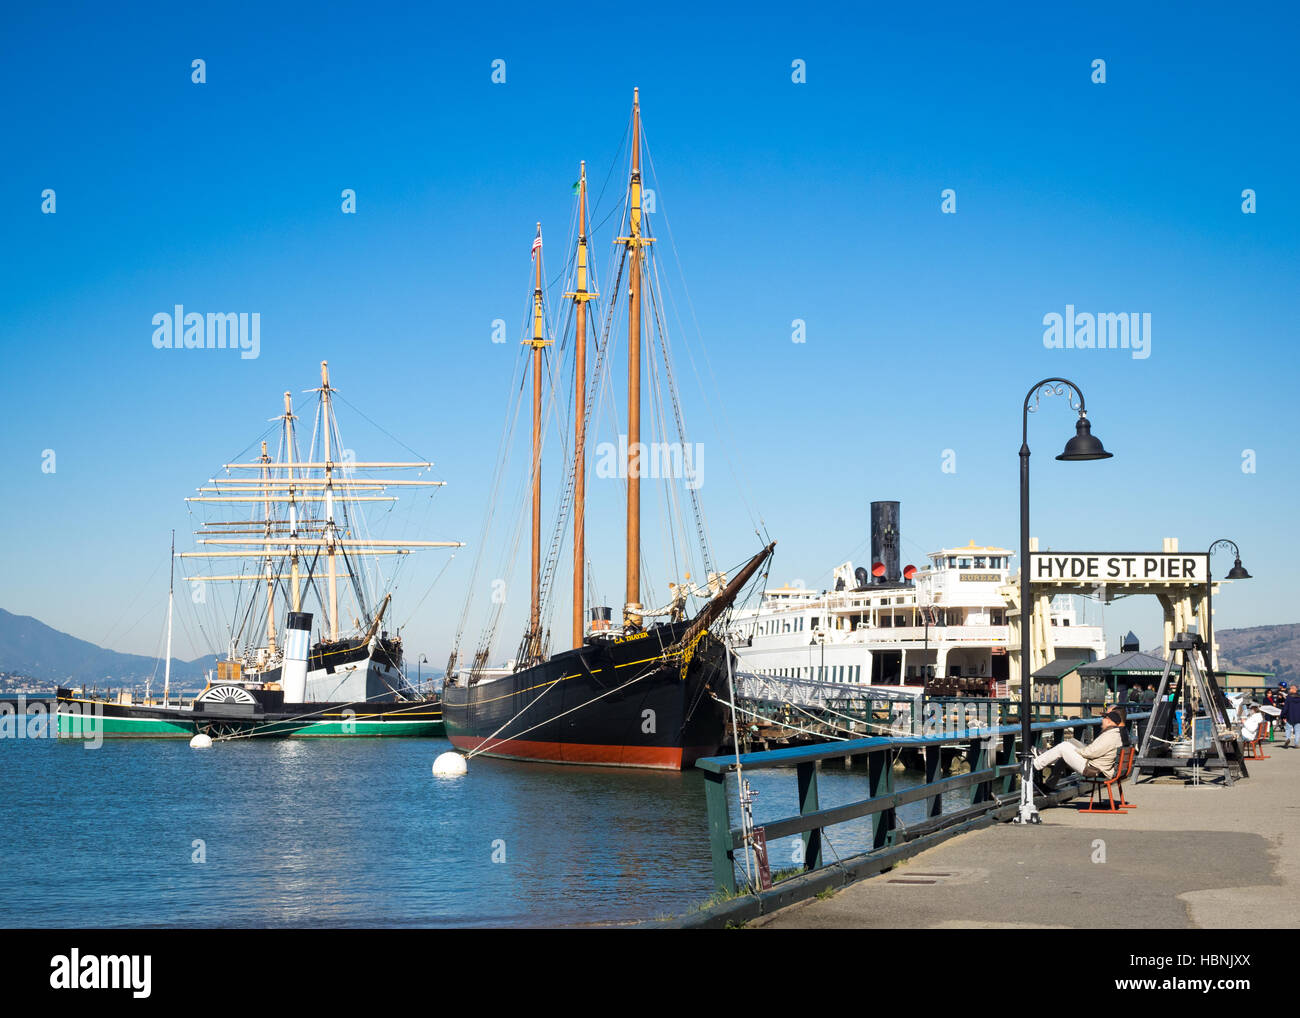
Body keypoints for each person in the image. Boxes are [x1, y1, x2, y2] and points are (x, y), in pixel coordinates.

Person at [1032, 708, 1128, 789]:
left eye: (1104, 718)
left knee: (1063, 747)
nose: (1102, 720)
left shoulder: (1110, 736)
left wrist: (1076, 751)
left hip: (1093, 769)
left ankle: (1035, 765)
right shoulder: (1115, 733)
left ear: (1109, 721)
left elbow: (1090, 753)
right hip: (1097, 766)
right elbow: (1094, 751)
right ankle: (1049, 785)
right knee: (1071, 743)